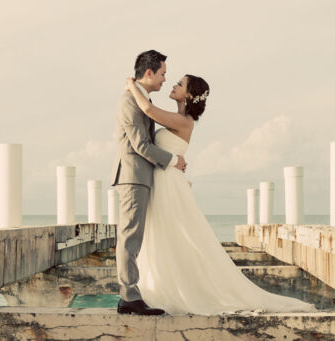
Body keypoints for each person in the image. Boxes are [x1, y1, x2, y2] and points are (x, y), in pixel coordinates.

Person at [122, 71, 317, 315]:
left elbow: (149, 112)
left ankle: (176, 290)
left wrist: (132, 86)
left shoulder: (184, 121)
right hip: (163, 181)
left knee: (176, 235)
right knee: (163, 235)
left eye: (180, 84)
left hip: (169, 184)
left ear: (190, 95)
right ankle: (157, 288)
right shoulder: (175, 118)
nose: (173, 84)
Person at [110, 50, 186, 315]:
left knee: (135, 238)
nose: (165, 79)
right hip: (132, 177)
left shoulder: (138, 98)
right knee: (129, 238)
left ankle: (131, 295)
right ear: (149, 72)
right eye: (163, 74)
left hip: (141, 178)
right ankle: (128, 296)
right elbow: (141, 145)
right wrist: (172, 161)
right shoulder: (129, 101)